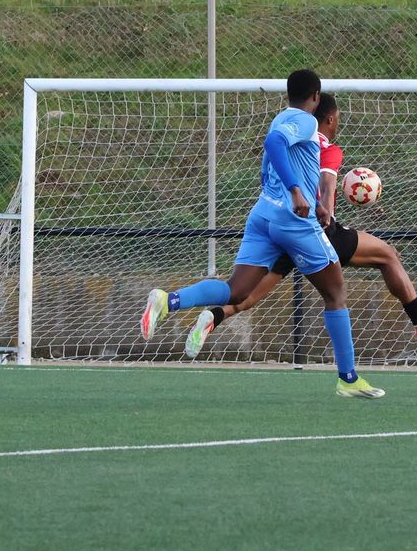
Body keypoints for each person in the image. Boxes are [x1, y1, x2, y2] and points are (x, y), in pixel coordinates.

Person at [139, 70, 385, 399]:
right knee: (336, 294)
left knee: (237, 291)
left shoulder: (280, 117)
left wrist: (315, 202)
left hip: (263, 216)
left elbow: (279, 157)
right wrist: (297, 193)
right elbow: (275, 145)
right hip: (292, 221)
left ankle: (167, 301)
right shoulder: (307, 122)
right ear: (315, 96)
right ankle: (349, 379)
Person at [182, 92, 417, 357]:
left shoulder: (289, 138)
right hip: (313, 230)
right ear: (329, 119)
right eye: (337, 118)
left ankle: (213, 316)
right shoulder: (327, 147)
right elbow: (327, 184)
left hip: (279, 226)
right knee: (386, 255)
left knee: (247, 295)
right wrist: (326, 214)